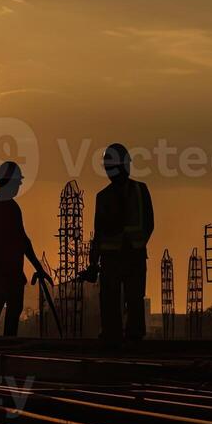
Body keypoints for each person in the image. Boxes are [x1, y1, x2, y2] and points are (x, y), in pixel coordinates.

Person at [83, 143, 154, 346]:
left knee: (133, 298)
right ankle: (113, 334)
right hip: (115, 257)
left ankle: (132, 334)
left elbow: (148, 223)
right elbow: (98, 233)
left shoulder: (140, 191)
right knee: (112, 299)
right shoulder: (104, 197)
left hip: (131, 254)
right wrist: (93, 262)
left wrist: (134, 243)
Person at [0, 161, 50, 339]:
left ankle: (1, 347)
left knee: (10, 313)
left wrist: (37, 267)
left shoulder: (7, 207)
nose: (19, 186)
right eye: (17, 182)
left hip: (9, 274)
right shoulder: (0, 207)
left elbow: (22, 240)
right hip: (3, 274)